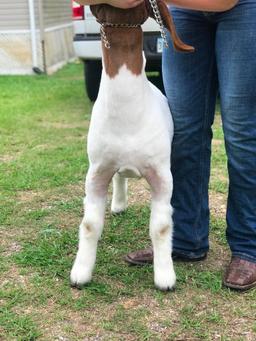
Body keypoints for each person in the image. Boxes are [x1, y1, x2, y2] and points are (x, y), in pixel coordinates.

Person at [79, 0, 256, 291]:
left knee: (241, 131)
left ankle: (248, 247)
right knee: (185, 127)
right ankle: (186, 239)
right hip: (185, 11)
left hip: (242, 8)